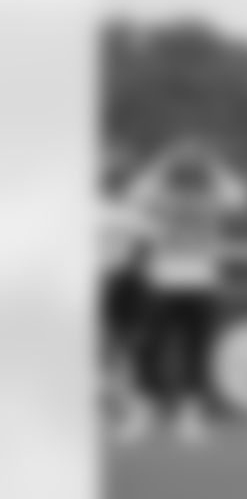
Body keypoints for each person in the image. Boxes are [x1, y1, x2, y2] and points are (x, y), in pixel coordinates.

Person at [129, 140, 247, 444]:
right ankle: (147, 408)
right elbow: (134, 195)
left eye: (192, 169)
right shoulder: (162, 195)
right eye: (182, 169)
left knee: (196, 350)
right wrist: (165, 161)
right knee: (149, 349)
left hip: (202, 283)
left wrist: (210, 163)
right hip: (163, 282)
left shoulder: (212, 196)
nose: (187, 174)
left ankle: (190, 413)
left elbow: (242, 197)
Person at [100, 148, 153, 442]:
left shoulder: (133, 213)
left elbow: (144, 251)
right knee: (109, 351)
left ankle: (130, 412)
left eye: (118, 176)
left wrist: (134, 278)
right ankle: (121, 410)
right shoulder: (92, 207)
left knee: (121, 351)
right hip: (105, 282)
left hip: (121, 284)